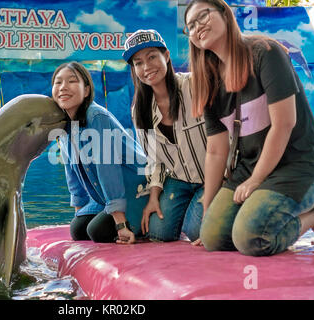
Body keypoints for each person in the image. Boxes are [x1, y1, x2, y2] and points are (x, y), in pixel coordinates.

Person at [184, 0, 314, 256]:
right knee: (212, 237)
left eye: (202, 16)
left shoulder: (265, 52)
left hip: (295, 163)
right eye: (191, 26)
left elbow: (284, 123)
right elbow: (216, 150)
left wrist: (256, 180)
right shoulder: (208, 82)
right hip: (248, 167)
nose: (197, 27)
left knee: (251, 237)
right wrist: (208, 206)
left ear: (224, 13)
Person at [122, 29, 206, 242]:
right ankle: (189, 205)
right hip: (178, 180)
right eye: (138, 63)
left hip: (212, 177)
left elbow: (227, 137)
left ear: (166, 56)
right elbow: (154, 160)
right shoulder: (140, 110)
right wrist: (153, 197)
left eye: (152, 57)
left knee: (198, 231)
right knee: (158, 233)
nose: (146, 67)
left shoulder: (195, 86)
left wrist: (224, 180)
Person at [52, 61, 149, 244]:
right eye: (58, 82)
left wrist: (120, 224)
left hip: (136, 187)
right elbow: (73, 175)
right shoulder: (65, 127)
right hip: (104, 196)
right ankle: (112, 214)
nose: (63, 87)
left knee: (98, 231)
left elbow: (108, 169)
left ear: (86, 90)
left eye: (72, 81)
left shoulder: (96, 117)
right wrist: (79, 213)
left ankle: (139, 220)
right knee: (78, 230)